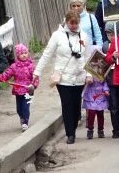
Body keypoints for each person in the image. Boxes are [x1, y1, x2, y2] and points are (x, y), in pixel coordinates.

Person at [33, 10, 87, 144]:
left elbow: (86, 56)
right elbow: (47, 54)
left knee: (76, 105)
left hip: (79, 76)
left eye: (76, 23)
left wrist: (89, 73)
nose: (73, 25)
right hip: (63, 78)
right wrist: (37, 72)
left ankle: (73, 126)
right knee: (67, 104)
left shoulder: (84, 35)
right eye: (71, 23)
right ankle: (70, 134)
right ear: (66, 22)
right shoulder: (57, 35)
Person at [0, 43, 37, 132]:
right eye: (22, 53)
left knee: (25, 107)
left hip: (28, 90)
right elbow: (7, 74)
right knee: (19, 108)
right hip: (18, 90)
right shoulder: (14, 66)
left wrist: (33, 85)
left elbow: (35, 77)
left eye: (25, 53)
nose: (24, 55)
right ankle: (22, 119)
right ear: (18, 55)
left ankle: (25, 122)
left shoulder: (31, 66)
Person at [83, 74, 109, 139]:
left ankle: (100, 130)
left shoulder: (102, 72)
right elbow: (83, 81)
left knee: (100, 113)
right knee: (91, 113)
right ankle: (90, 130)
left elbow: (105, 83)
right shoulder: (88, 71)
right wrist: (87, 80)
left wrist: (106, 90)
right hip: (90, 94)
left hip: (100, 95)